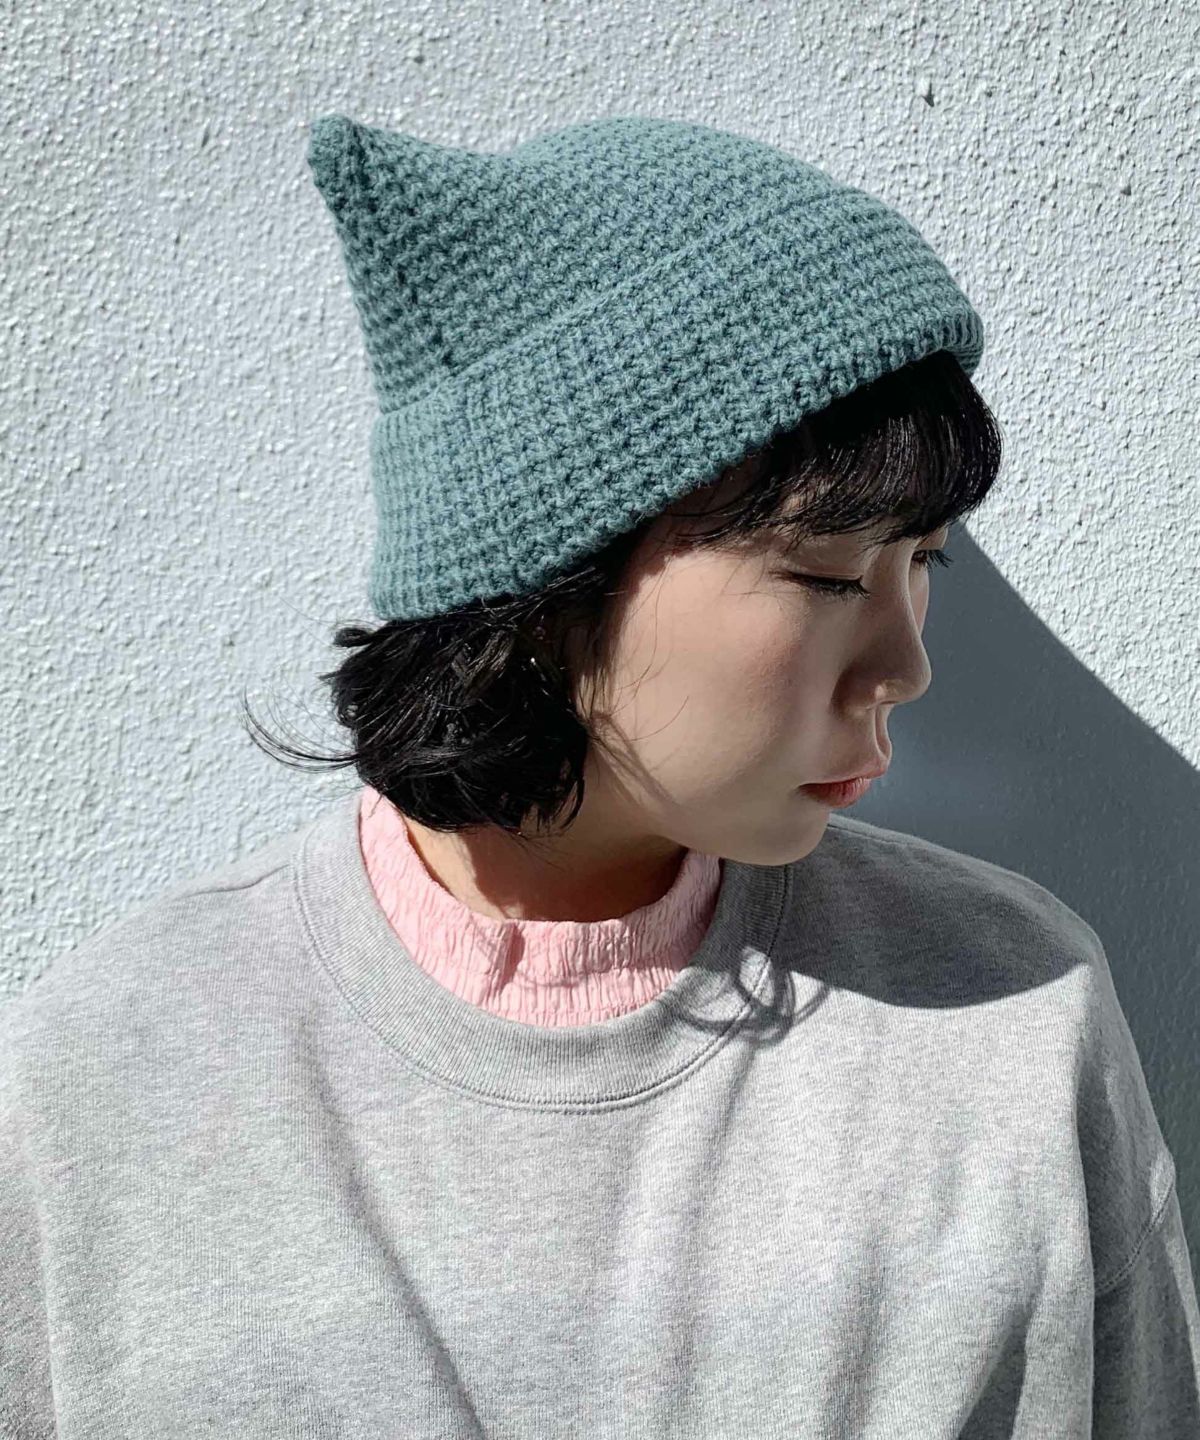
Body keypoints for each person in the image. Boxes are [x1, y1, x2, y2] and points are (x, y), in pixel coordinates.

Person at [2, 113, 1196, 1436]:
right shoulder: (109, 1077)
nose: (907, 665)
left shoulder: (1009, 1015)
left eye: (925, 563)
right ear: (539, 590)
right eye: (825, 574)